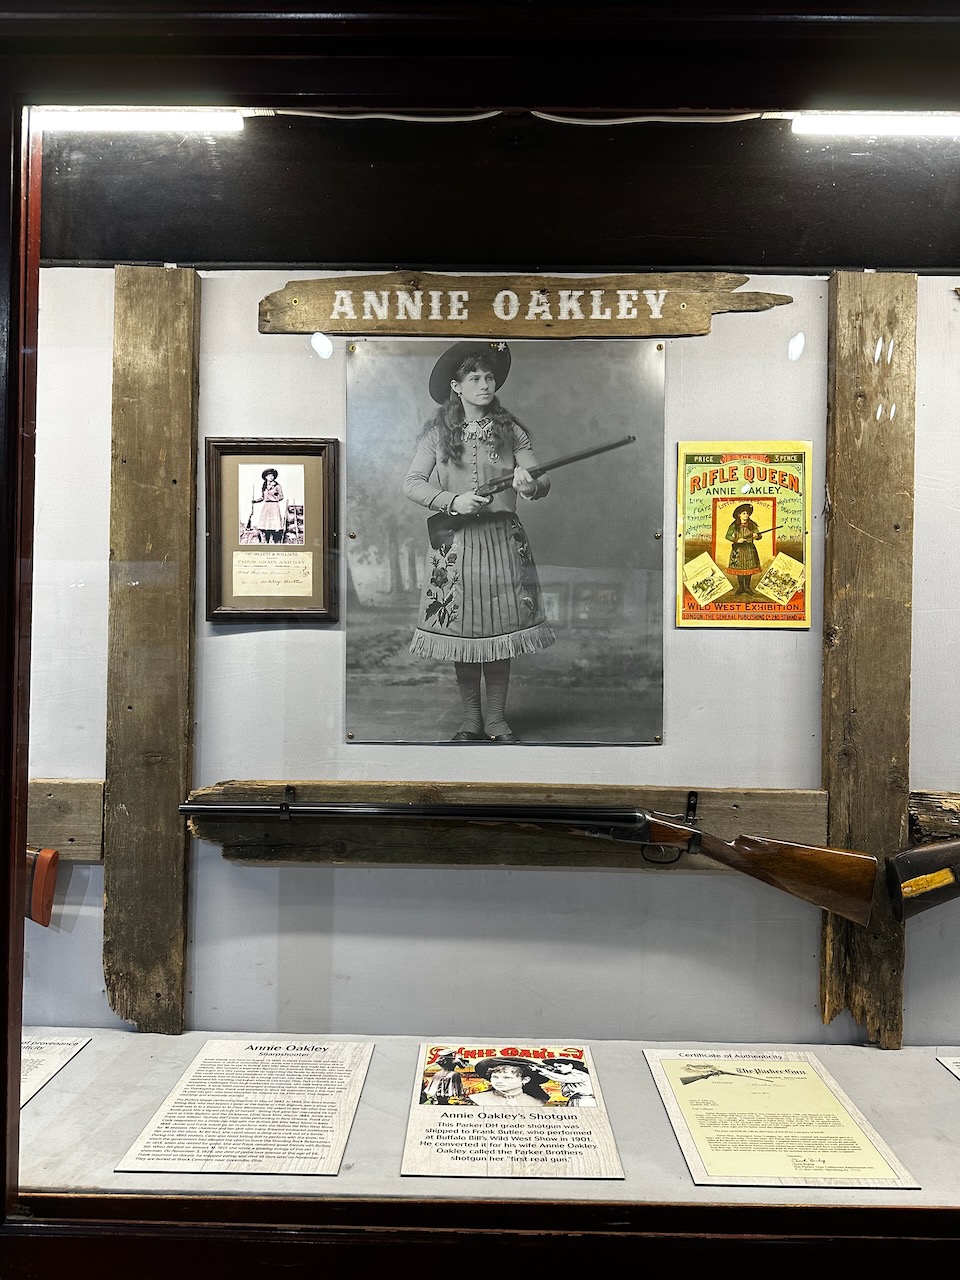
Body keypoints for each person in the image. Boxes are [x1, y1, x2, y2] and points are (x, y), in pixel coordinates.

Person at [403, 341, 555, 744]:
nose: (485, 384)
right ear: (456, 386)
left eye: (489, 377)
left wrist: (529, 485)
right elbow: (412, 484)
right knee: (462, 633)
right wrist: (452, 501)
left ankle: (497, 722)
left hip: (503, 542)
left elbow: (542, 481)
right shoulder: (438, 435)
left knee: (501, 630)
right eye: (474, 378)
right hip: (456, 547)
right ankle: (471, 720)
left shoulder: (511, 430)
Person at [467, 1056, 550, 1108]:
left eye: (507, 1077)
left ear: (525, 1080)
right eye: (495, 1077)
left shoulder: (537, 1102)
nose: (498, 1081)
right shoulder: (477, 1099)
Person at [724, 502, 762, 595]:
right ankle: (741, 588)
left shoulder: (752, 525)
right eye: (744, 513)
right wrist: (736, 540)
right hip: (738, 550)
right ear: (739, 515)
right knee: (739, 569)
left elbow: (759, 536)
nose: (746, 515)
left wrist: (756, 536)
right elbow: (728, 536)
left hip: (749, 549)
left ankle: (747, 588)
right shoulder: (734, 525)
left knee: (749, 568)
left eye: (747, 513)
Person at [250, 467, 285, 544]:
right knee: (265, 526)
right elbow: (262, 497)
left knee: (274, 525)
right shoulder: (264, 486)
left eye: (272, 476)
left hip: (274, 506)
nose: (271, 477)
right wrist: (255, 501)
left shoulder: (277, 486)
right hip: (266, 506)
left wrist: (274, 498)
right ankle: (266, 542)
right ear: (266, 477)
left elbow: (281, 496)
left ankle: (275, 542)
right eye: (269, 476)